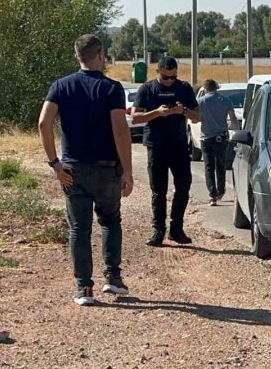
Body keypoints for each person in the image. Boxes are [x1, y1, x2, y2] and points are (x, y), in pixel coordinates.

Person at [38, 34, 134, 306]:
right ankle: (113, 279)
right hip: (107, 169)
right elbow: (119, 128)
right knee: (110, 221)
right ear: (101, 55)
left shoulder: (61, 86)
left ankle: (84, 289)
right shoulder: (112, 88)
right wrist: (127, 170)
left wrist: (54, 163)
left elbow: (44, 123)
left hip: (72, 170)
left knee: (79, 229)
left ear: (77, 55)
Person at [130, 57, 200, 246]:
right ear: (158, 72)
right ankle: (158, 230)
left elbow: (198, 116)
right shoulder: (147, 89)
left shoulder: (183, 88)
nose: (170, 81)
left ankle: (176, 229)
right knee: (158, 190)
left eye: (173, 77)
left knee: (183, 187)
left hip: (178, 146)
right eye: (166, 77)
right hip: (156, 145)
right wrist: (157, 113)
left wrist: (182, 110)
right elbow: (135, 118)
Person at [197, 79, 240, 206]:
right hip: (221, 137)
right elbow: (233, 118)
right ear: (216, 88)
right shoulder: (225, 101)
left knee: (209, 167)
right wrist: (236, 134)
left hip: (206, 138)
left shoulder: (201, 101)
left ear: (205, 88)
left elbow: (196, 117)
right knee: (220, 165)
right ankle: (221, 190)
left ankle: (212, 195)